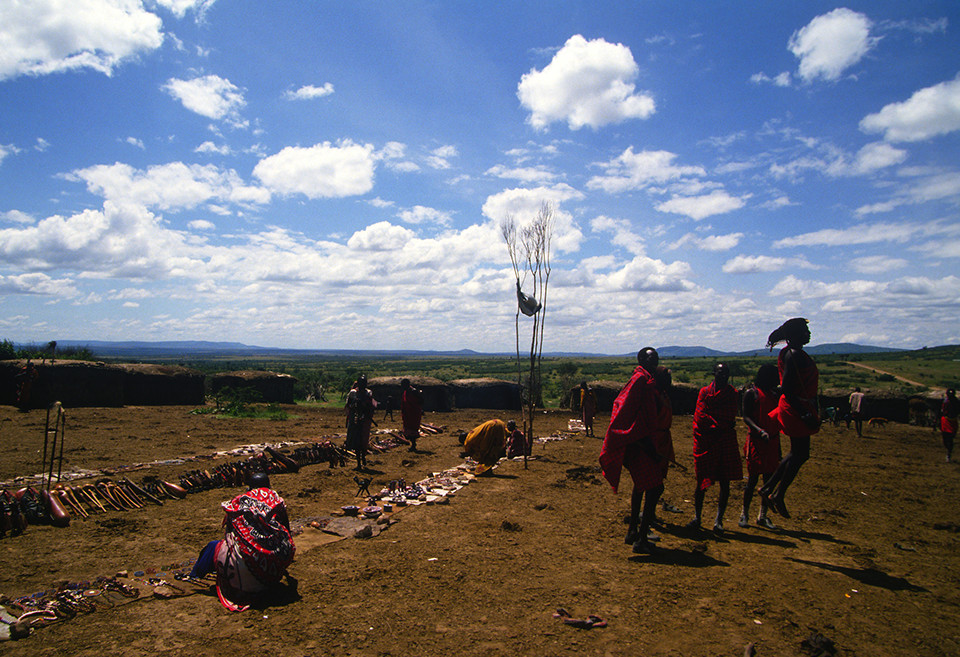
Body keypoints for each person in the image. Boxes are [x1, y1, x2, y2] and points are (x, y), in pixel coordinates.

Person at [189, 471, 295, 612]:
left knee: (213, 547)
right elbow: (287, 533)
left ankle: (195, 576)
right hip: (272, 572)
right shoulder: (276, 500)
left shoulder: (238, 503)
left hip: (245, 573)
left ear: (249, 488)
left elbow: (230, 534)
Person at [599, 347, 663, 554]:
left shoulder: (645, 380)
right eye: (650, 358)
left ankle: (633, 531)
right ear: (641, 360)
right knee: (655, 488)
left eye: (656, 358)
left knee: (642, 486)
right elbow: (626, 411)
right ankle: (640, 538)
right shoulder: (640, 381)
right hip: (638, 441)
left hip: (639, 439)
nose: (654, 361)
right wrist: (644, 442)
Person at [759, 317, 820, 519]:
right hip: (795, 407)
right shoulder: (794, 355)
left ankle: (771, 490)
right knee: (800, 453)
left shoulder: (793, 353)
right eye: (805, 330)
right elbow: (786, 387)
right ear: (794, 334)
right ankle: (774, 492)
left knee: (799, 453)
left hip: (798, 406)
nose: (808, 333)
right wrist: (803, 413)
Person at [688, 363, 742, 536]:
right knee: (701, 481)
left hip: (724, 440)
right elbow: (700, 416)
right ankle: (697, 517)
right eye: (720, 373)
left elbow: (730, 415)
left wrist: (716, 424)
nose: (723, 376)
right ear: (714, 374)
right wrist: (719, 425)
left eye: (726, 373)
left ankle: (719, 520)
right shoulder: (704, 392)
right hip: (708, 441)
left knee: (725, 481)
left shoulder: (732, 394)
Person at [739, 364, 782, 530]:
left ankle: (762, 516)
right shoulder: (752, 393)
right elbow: (746, 416)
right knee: (752, 480)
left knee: (769, 481)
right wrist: (759, 430)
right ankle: (745, 514)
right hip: (756, 442)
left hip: (772, 441)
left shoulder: (774, 394)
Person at [345, 374, 377, 471]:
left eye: (364, 383)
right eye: (361, 383)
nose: (363, 385)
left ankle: (363, 458)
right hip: (355, 419)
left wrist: (364, 407)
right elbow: (348, 405)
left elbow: (372, 406)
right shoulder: (353, 393)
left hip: (365, 420)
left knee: (363, 440)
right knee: (356, 441)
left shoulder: (368, 393)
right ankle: (359, 462)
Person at [400, 379, 424, 452]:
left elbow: (421, 400)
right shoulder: (406, 392)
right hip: (408, 414)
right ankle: (413, 445)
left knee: (412, 429)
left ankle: (413, 445)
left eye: (403, 385)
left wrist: (416, 407)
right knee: (408, 428)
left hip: (414, 413)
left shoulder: (413, 391)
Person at [940, 388, 959, 462]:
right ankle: (948, 450)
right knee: (945, 438)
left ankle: (949, 453)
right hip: (945, 420)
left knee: (950, 438)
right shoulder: (944, 401)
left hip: (953, 420)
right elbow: (941, 411)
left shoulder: (956, 402)